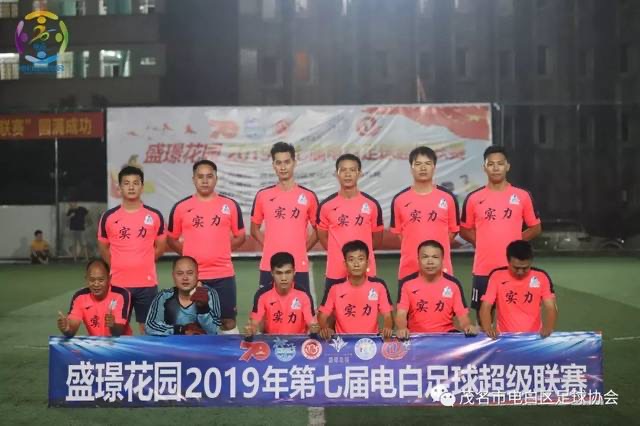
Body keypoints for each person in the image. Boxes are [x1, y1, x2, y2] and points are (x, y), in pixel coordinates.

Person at [460, 146, 542, 319]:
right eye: (491, 164)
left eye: (500, 164)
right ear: (484, 168)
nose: (495, 168)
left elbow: (535, 228)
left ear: (507, 166)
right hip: (484, 268)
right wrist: (481, 242)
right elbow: (464, 229)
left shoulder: (522, 196)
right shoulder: (474, 198)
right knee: (483, 317)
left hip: (514, 267)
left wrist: (515, 244)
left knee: (515, 317)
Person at [167, 160, 245, 334]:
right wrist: (189, 256)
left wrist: (222, 250)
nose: (204, 181)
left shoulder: (230, 205)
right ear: (193, 179)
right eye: (200, 177)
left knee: (228, 321)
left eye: (209, 176)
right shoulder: (181, 207)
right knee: (193, 323)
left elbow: (240, 236)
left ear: (216, 179)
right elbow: (171, 239)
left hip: (223, 274)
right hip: (193, 277)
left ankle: (231, 352)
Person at [98, 166, 166, 333]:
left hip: (147, 284)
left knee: (148, 329)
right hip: (118, 284)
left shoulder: (154, 215)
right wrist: (118, 265)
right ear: (119, 188)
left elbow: (161, 246)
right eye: (126, 183)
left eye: (136, 183)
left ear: (142, 187)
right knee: (117, 329)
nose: (131, 187)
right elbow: (103, 248)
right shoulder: (109, 217)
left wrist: (144, 262)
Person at [390, 146, 459, 300]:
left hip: (441, 269)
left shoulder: (447, 198)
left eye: (427, 164)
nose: (423, 168)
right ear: (411, 168)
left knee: (443, 311)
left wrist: (435, 251)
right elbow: (399, 234)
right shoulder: (400, 200)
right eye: (418, 164)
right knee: (407, 313)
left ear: (434, 167)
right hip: (409, 269)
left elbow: (453, 231)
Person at [251, 142, 319, 293]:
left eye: (287, 162)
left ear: (294, 163)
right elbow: (254, 229)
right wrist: (269, 246)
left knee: (301, 307)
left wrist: (303, 248)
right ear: (273, 165)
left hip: (298, 266)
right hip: (269, 265)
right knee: (266, 307)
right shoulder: (263, 195)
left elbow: (319, 230)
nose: (283, 167)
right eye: (278, 163)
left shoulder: (308, 196)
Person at [317, 154, 383, 290]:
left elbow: (376, 239)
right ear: (336, 174)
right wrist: (337, 254)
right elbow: (323, 237)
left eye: (352, 170)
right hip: (335, 272)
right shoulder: (326, 206)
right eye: (343, 170)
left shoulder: (372, 205)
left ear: (359, 173)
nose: (347, 174)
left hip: (365, 272)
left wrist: (360, 257)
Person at [480, 240, 557, 339]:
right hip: (505, 337)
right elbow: (486, 307)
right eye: (516, 268)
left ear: (531, 262)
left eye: (525, 268)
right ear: (508, 261)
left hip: (534, 337)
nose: (520, 272)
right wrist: (488, 328)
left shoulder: (541, 277)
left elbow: (551, 307)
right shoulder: (496, 276)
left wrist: (548, 327)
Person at [395, 240, 473, 338]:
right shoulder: (406, 284)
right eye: (425, 257)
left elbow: (462, 316)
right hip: (416, 338)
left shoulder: (453, 284)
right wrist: (402, 328)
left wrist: (467, 326)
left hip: (446, 337)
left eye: (435, 257)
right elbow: (401, 314)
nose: (430, 262)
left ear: (442, 260)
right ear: (418, 259)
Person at [318, 240, 393, 339]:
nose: (356, 264)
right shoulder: (335, 288)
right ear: (345, 264)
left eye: (360, 259)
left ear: (367, 263)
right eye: (351, 260)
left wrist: (387, 327)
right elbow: (322, 316)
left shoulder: (379, 286)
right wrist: (324, 328)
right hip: (343, 343)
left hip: (370, 343)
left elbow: (388, 316)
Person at [145, 256, 222, 336]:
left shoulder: (209, 294)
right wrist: (180, 329)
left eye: (190, 273)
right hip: (172, 343)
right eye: (180, 273)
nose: (185, 278)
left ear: (197, 275)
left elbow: (213, 331)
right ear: (173, 276)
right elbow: (150, 326)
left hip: (201, 343)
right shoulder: (164, 296)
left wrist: (204, 308)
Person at [246, 252, 318, 336]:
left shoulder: (304, 295)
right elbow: (254, 323)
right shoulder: (262, 295)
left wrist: (315, 327)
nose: (284, 278)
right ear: (272, 273)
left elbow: (312, 323)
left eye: (288, 272)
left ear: (294, 272)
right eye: (279, 273)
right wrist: (251, 328)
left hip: (297, 343)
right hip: (271, 342)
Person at [57, 259, 132, 337]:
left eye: (101, 280)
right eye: (92, 280)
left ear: (109, 278)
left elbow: (118, 332)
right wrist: (66, 329)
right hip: (96, 343)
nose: (96, 284)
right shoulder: (79, 297)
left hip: (121, 342)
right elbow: (72, 329)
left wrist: (113, 325)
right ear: (86, 279)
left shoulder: (121, 294)